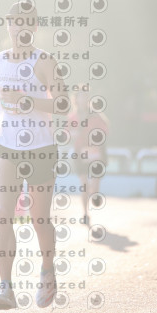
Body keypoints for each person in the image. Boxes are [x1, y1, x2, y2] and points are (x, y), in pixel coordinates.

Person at [0, 1, 68, 310]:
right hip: (7, 147)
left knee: (39, 218)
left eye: (24, 22)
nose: (18, 27)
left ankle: (47, 270)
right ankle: (6, 288)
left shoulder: (44, 61)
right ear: (8, 26)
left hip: (41, 148)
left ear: (34, 27)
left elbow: (63, 104)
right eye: (13, 22)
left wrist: (28, 101)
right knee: (2, 214)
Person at [68, 91, 109, 226]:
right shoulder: (73, 117)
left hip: (96, 152)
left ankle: (94, 193)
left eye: (86, 97)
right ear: (76, 100)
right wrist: (73, 134)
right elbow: (66, 133)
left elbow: (105, 130)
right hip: (80, 153)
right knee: (84, 184)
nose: (84, 99)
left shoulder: (96, 115)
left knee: (95, 185)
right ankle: (85, 214)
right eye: (81, 97)